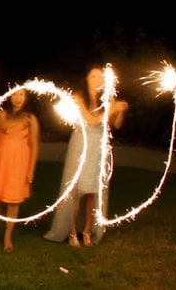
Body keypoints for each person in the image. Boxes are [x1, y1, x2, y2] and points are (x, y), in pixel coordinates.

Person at [44, 66, 129, 247]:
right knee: (78, 191)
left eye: (100, 76)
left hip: (99, 146)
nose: (98, 79)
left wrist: (119, 110)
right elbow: (91, 121)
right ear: (87, 78)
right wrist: (111, 109)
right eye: (93, 75)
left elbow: (117, 125)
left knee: (93, 191)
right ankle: (72, 231)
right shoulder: (78, 97)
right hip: (82, 145)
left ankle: (88, 230)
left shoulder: (108, 99)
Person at [0, 87, 40, 252]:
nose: (18, 98)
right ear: (8, 96)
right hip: (0, 162)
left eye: (21, 94)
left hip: (19, 163)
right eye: (14, 94)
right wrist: (21, 121)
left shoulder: (32, 119)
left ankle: (7, 236)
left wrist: (31, 170)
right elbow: (5, 126)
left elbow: (34, 145)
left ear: (26, 97)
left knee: (14, 201)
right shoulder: (0, 113)